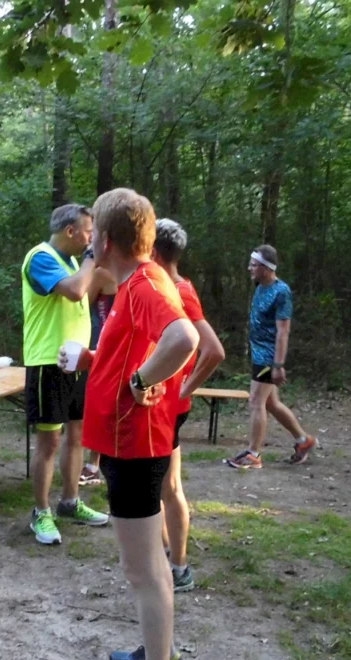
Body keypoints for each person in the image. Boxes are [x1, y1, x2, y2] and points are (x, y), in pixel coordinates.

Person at [67, 188, 198, 660]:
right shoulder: (132, 285)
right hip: (128, 442)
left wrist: (143, 381)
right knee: (146, 569)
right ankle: (158, 656)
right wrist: (97, 360)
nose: (89, 239)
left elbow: (184, 337)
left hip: (135, 445)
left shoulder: (143, 284)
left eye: (93, 231)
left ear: (107, 239)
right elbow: (131, 355)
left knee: (143, 569)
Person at [22, 204, 110, 545]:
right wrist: (91, 258)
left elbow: (99, 287)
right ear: (71, 231)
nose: (91, 238)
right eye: (88, 231)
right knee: (50, 441)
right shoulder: (40, 257)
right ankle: (40, 512)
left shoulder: (74, 263)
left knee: (78, 435)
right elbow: (74, 291)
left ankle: (70, 502)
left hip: (78, 362)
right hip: (48, 361)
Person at [150, 219, 225, 592]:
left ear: (153, 250)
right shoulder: (165, 287)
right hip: (159, 405)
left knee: (169, 486)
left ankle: (178, 567)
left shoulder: (179, 291)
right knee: (162, 486)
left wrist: (184, 389)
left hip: (168, 407)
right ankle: (167, 557)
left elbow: (213, 350)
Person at [227, 245, 317, 469]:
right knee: (272, 403)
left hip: (268, 357)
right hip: (258, 354)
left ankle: (254, 454)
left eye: (254, 265)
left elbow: (283, 331)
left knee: (256, 401)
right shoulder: (260, 287)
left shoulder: (281, 292)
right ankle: (303, 441)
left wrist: (278, 364)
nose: (249, 268)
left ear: (267, 268)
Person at [79, 258, 117, 487]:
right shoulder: (108, 272)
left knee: (101, 405)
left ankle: (95, 465)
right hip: (103, 342)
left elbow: (82, 302)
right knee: (102, 404)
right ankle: (96, 464)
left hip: (106, 344)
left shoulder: (103, 272)